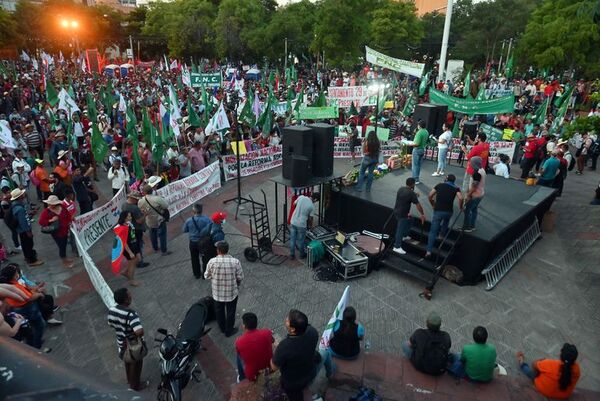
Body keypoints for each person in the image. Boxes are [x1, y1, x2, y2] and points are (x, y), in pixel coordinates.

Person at [271, 309, 333, 401]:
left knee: (295, 396)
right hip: (311, 370)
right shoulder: (313, 332)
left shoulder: (284, 347)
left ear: (292, 329)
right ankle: (330, 373)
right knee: (325, 352)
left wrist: (274, 350)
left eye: (287, 320)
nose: (286, 319)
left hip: (294, 383)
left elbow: (274, 367)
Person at [0, 264, 49, 351]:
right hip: (28, 308)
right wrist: (39, 294)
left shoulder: (7, 286)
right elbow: (28, 297)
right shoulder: (16, 286)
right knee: (40, 325)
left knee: (28, 330)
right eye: (16, 273)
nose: (18, 274)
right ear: (14, 277)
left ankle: (33, 344)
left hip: (17, 309)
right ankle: (37, 346)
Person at [107, 288, 146, 391]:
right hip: (133, 344)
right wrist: (133, 333)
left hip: (121, 342)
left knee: (126, 360)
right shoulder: (131, 314)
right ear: (126, 300)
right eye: (129, 295)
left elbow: (110, 324)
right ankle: (135, 386)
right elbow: (139, 331)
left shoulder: (112, 310)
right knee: (136, 363)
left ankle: (129, 379)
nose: (131, 296)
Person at [204, 241, 243, 337]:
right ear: (227, 250)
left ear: (218, 251)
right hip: (231, 293)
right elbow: (240, 277)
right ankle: (229, 330)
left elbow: (206, 276)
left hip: (217, 294)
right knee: (231, 311)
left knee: (219, 311)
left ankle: (222, 328)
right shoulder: (235, 262)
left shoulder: (212, 262)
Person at [425, 174, 463, 258]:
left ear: (446, 179)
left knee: (433, 231)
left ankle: (428, 251)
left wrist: (433, 205)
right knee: (446, 221)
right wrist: (460, 207)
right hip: (448, 211)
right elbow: (460, 198)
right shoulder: (456, 188)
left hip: (438, 210)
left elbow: (430, 195)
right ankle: (441, 235)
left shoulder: (439, 185)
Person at [235, 312, 273, 382]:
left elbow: (240, 353)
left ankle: (241, 377)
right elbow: (272, 340)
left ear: (244, 326)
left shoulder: (239, 341)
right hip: (269, 365)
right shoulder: (267, 332)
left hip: (252, 374)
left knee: (238, 355)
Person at [38, 195, 74, 268]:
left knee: (64, 244)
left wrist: (70, 221)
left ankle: (65, 258)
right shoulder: (46, 212)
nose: (49, 205)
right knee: (62, 246)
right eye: (49, 203)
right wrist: (50, 220)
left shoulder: (62, 207)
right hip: (56, 232)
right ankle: (64, 261)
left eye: (51, 204)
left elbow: (68, 215)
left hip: (65, 230)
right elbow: (41, 222)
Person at [10, 189, 43, 266]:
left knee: (24, 244)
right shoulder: (20, 208)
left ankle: (27, 257)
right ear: (19, 197)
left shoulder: (15, 205)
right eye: (22, 194)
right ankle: (32, 260)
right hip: (24, 230)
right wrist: (28, 231)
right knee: (28, 244)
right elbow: (23, 221)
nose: (23, 195)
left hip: (20, 230)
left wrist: (30, 214)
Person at [392, 178, 425, 255]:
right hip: (402, 214)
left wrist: (415, 194)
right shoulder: (411, 193)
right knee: (400, 229)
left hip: (396, 211)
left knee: (410, 219)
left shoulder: (401, 189)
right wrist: (422, 214)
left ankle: (404, 236)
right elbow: (418, 205)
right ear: (413, 184)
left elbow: (408, 194)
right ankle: (397, 247)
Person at [138, 184, 171, 256]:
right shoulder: (157, 199)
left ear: (144, 192)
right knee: (162, 235)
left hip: (149, 221)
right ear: (152, 190)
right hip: (159, 220)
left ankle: (155, 248)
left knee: (152, 234)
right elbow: (166, 206)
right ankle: (164, 250)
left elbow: (140, 209)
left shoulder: (140, 201)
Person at [182, 204, 212, 279]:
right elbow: (210, 228)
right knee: (205, 258)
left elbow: (184, 230)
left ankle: (196, 274)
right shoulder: (206, 219)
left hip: (193, 242)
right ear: (201, 210)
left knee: (194, 258)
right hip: (203, 242)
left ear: (193, 211)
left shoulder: (189, 220)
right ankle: (205, 273)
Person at [121, 192, 149, 269]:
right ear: (133, 199)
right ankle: (140, 261)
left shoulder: (124, 205)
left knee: (134, 245)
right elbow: (139, 221)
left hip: (130, 228)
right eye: (137, 199)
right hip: (137, 229)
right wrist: (145, 215)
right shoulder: (134, 208)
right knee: (138, 245)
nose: (137, 201)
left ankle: (137, 261)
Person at [289, 193, 319, 260]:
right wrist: (310, 227)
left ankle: (292, 254)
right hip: (301, 224)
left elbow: (294, 204)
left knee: (292, 239)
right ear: (315, 199)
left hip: (293, 221)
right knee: (301, 240)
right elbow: (310, 219)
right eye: (316, 201)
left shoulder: (301, 197)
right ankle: (301, 254)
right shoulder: (312, 206)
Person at [114, 211, 141, 287]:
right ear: (124, 218)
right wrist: (130, 252)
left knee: (138, 259)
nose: (131, 217)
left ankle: (126, 271)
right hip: (128, 248)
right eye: (129, 216)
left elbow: (133, 235)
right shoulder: (121, 228)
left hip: (134, 244)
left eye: (130, 216)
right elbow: (124, 242)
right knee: (132, 264)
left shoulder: (129, 224)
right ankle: (131, 279)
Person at [462, 157, 486, 233]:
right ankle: (472, 225)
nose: (470, 164)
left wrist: (468, 195)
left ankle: (467, 227)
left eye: (471, 163)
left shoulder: (477, 173)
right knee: (474, 210)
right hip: (480, 194)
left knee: (467, 211)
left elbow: (474, 186)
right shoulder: (482, 170)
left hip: (475, 195)